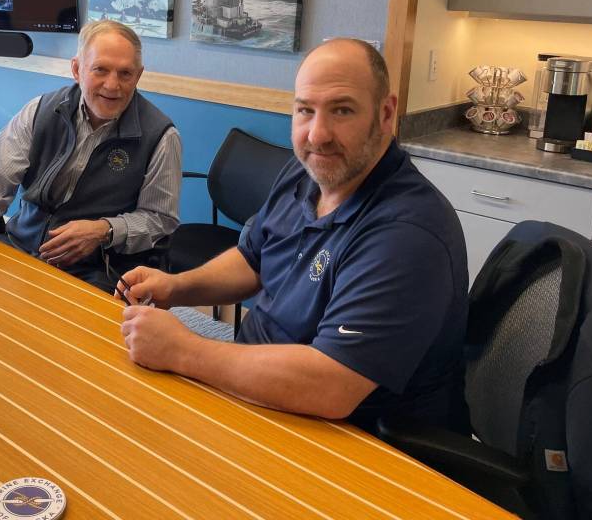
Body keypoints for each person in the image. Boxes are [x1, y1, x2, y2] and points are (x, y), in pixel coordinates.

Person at [119, 38, 468, 429]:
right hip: (255, 387)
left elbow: (331, 385)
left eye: (342, 110)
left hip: (342, 437)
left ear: (386, 114)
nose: (318, 135)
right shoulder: (307, 173)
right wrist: (177, 287)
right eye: (305, 110)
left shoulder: (406, 234)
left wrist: (185, 351)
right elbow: (253, 259)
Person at [0, 20, 182, 292]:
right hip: (21, 246)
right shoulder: (40, 111)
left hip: (96, 272)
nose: (113, 85)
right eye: (101, 70)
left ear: (139, 75)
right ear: (77, 69)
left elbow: (159, 219)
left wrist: (104, 230)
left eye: (125, 73)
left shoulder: (161, 136)